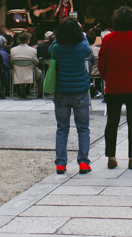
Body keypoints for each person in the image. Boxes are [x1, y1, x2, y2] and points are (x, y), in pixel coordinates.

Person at [98, 6, 132, 170]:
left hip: (113, 85)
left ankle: (111, 157)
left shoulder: (108, 39)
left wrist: (107, 77)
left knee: (112, 122)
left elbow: (101, 63)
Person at [51, 17, 93, 175]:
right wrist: (82, 33)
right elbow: (88, 49)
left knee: (62, 128)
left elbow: (51, 51)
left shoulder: (56, 46)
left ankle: (61, 163)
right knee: (83, 128)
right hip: (80, 91)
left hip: (62, 90)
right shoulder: (82, 46)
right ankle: (83, 162)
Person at [10, 32, 40, 98]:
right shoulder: (33, 50)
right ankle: (40, 92)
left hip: (17, 71)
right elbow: (36, 62)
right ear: (27, 40)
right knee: (39, 73)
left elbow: (11, 61)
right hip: (30, 71)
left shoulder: (12, 50)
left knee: (21, 71)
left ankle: (22, 91)